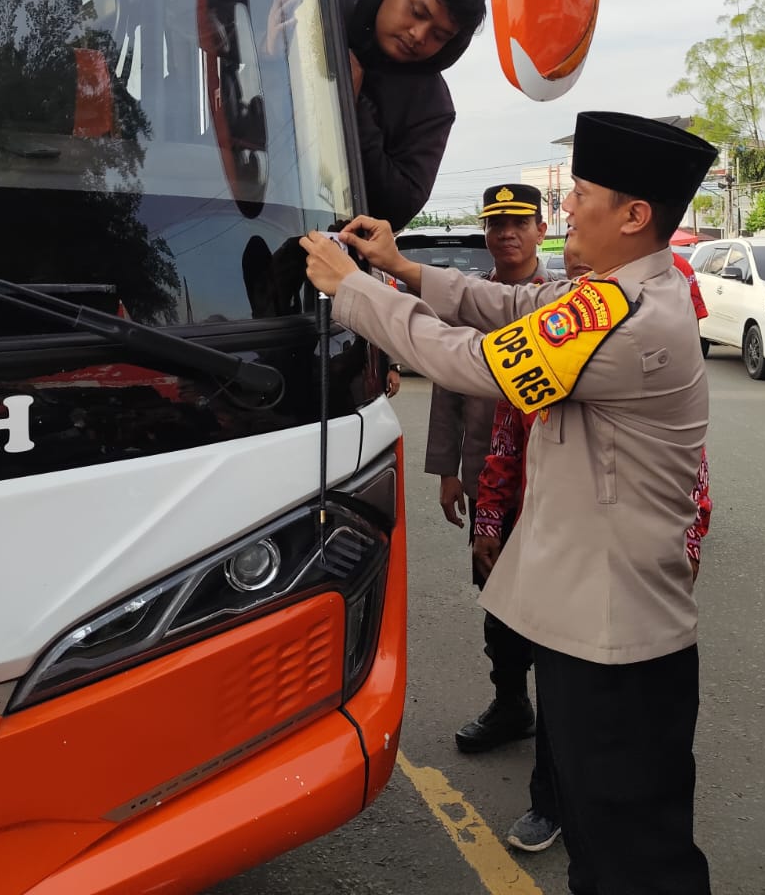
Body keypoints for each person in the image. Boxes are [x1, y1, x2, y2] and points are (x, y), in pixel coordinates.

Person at [301, 111, 718, 895]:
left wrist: (354, 290)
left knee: (636, 854)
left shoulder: (630, 320)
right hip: (595, 625)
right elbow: (514, 308)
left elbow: (473, 361)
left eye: (582, 194)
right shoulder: (612, 294)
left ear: (634, 217)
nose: (566, 211)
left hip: (614, 640)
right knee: (606, 841)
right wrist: (405, 268)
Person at [476, 234, 715, 854]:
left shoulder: (646, 324)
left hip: (611, 562)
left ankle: (567, 807)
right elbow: (507, 433)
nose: (575, 249)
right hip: (542, 536)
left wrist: (686, 546)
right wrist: (491, 520)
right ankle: (554, 800)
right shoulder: (554, 323)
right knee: (550, 683)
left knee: (605, 715)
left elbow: (692, 473)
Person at [426, 183, 550, 753]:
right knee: (495, 593)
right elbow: (449, 384)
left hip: (552, 484)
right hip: (487, 479)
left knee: (550, 606)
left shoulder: (564, 298)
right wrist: (448, 470)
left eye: (519, 222)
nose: (507, 234)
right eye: (497, 225)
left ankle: (558, 722)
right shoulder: (470, 300)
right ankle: (510, 703)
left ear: (540, 230)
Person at [340, 0, 487, 230]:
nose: (419, 35)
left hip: (335, 248)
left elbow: (398, 208)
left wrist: (353, 106)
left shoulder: (433, 107)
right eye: (418, 12)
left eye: (440, 35)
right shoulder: (322, 13)